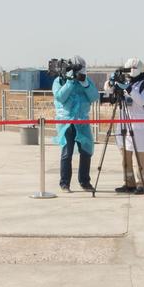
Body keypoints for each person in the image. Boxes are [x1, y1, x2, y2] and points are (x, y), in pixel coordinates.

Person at [103, 58, 144, 193]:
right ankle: (129, 183)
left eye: (133, 69)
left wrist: (128, 89)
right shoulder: (125, 82)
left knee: (140, 155)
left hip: (138, 123)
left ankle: (142, 183)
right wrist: (111, 82)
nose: (131, 72)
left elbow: (142, 101)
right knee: (125, 154)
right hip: (123, 120)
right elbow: (108, 89)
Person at [52, 56, 97, 192]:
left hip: (82, 122)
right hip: (66, 122)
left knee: (86, 151)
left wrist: (85, 84)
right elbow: (60, 97)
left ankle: (85, 182)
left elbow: (94, 97)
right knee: (67, 153)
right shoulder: (60, 81)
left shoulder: (86, 80)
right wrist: (70, 82)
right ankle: (64, 183)